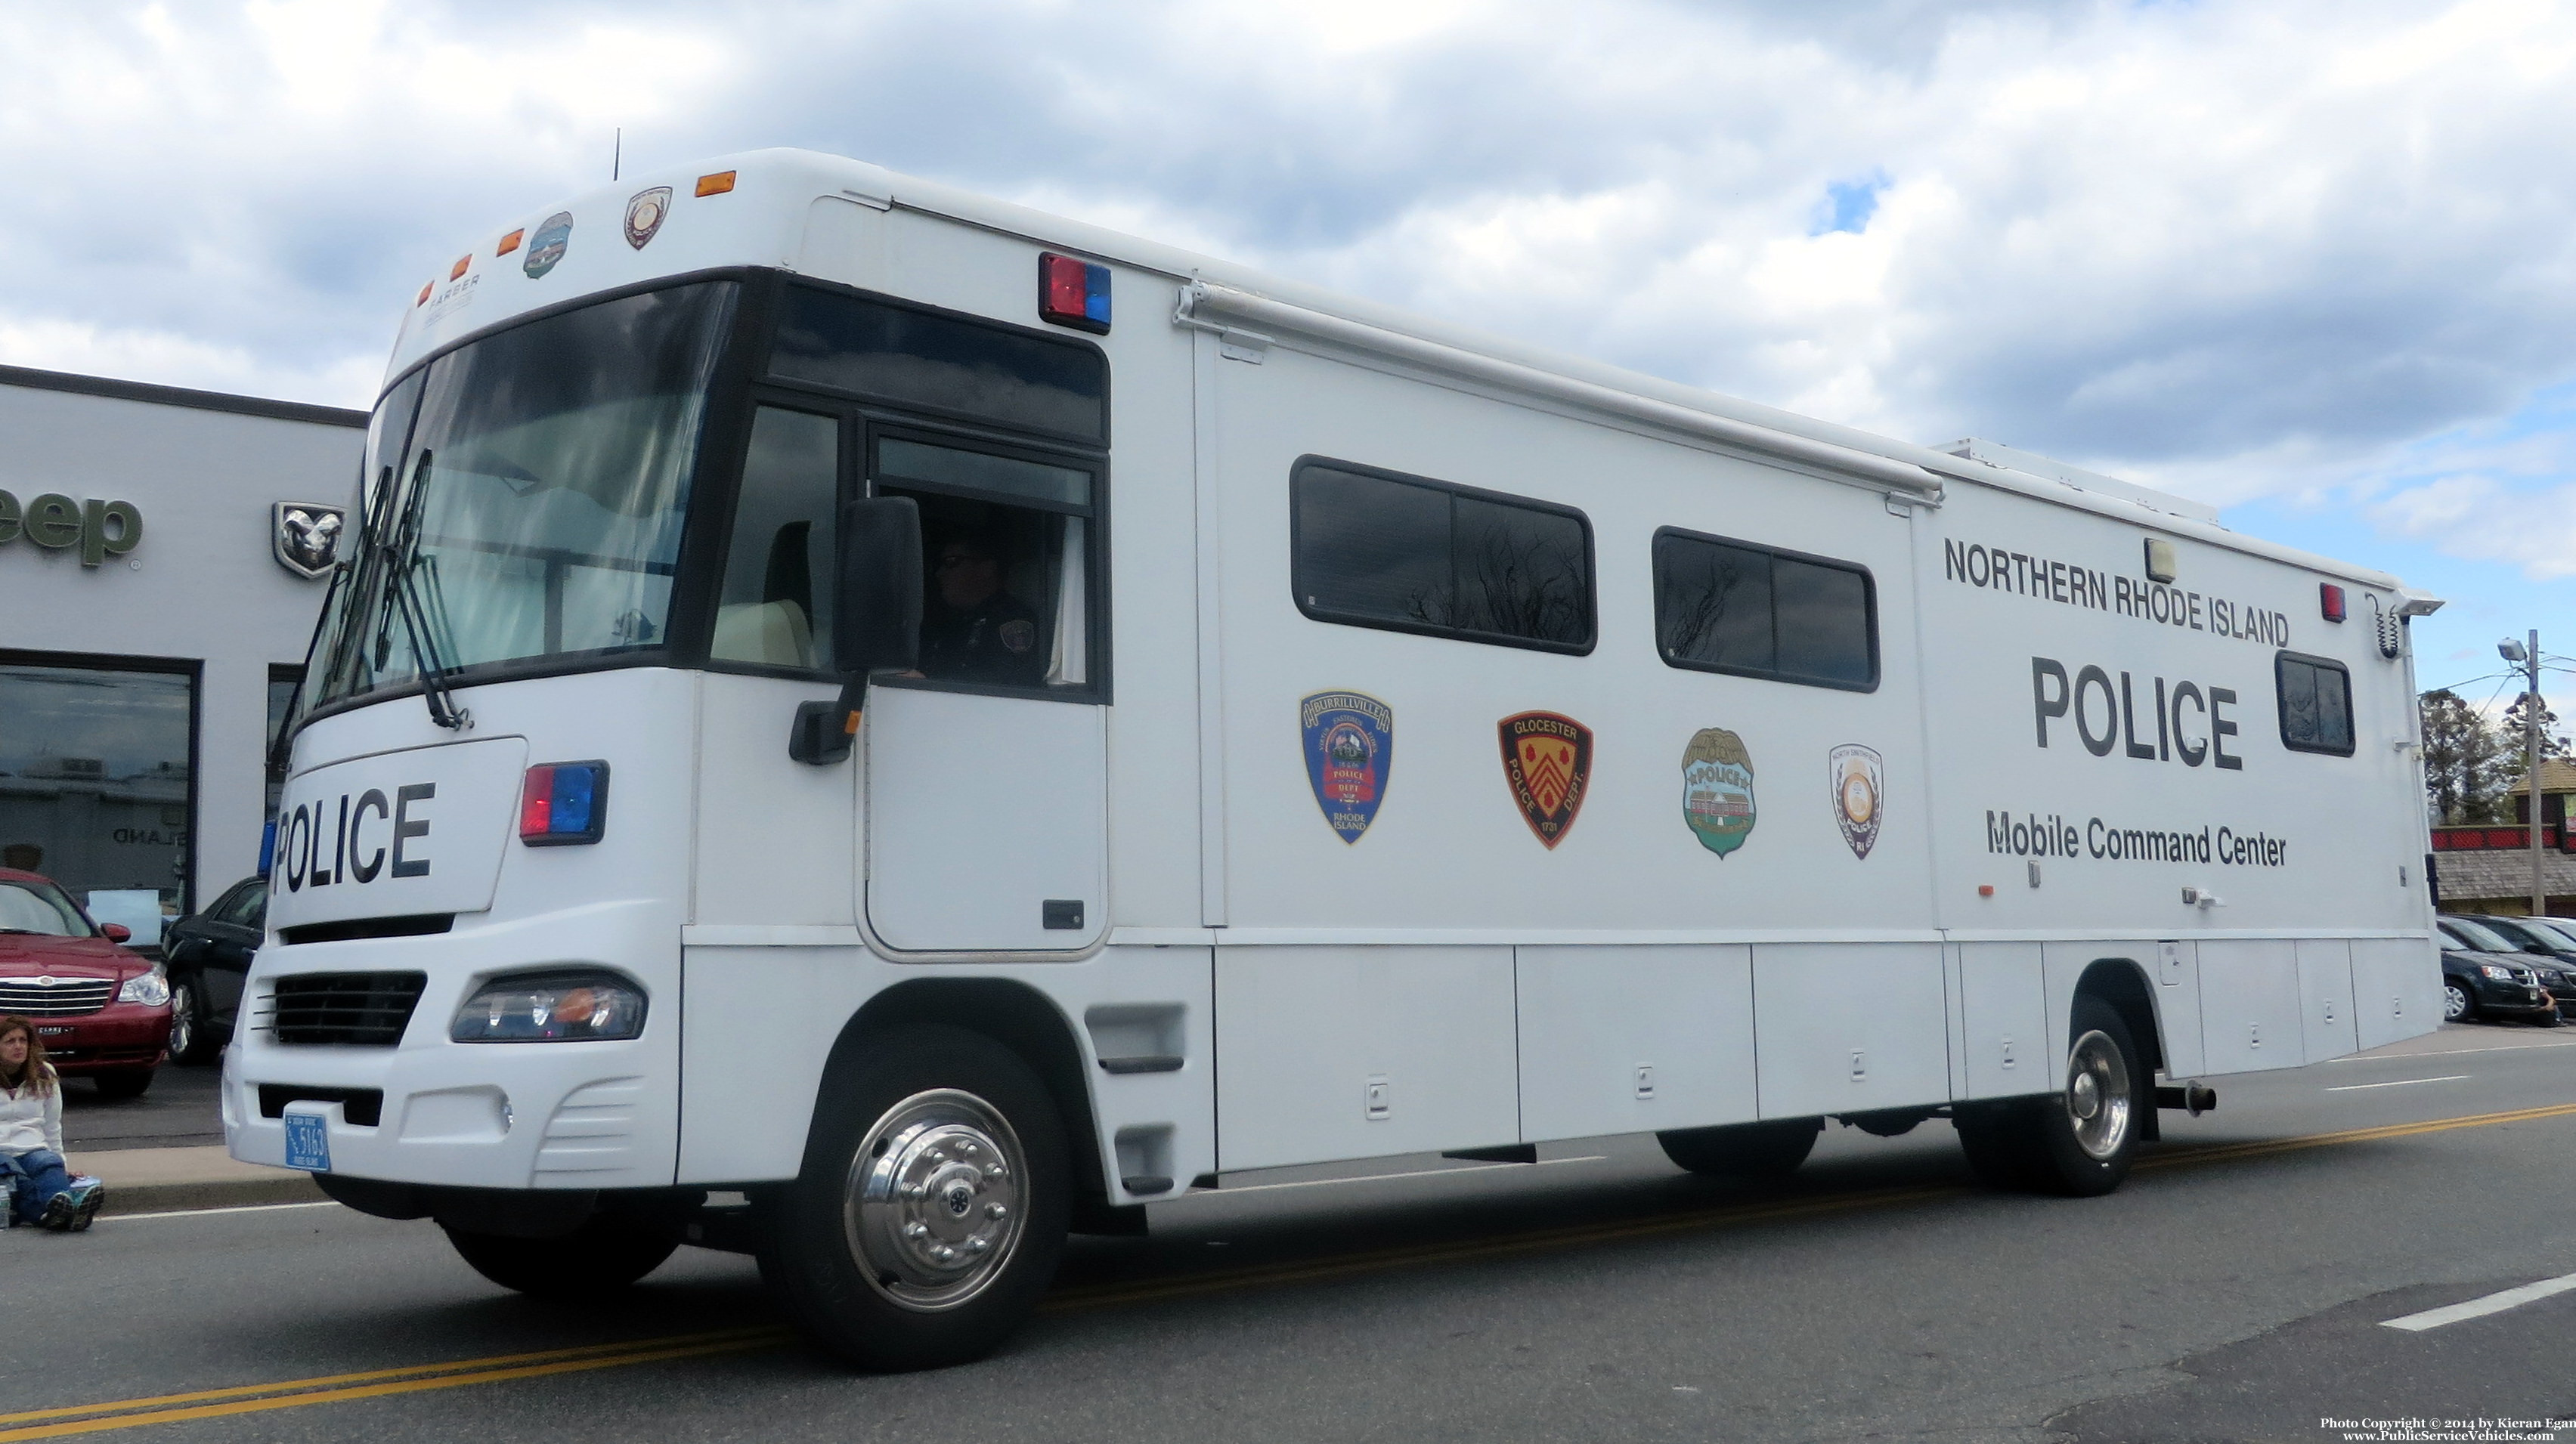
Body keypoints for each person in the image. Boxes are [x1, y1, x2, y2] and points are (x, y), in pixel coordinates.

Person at [1, 1015, 102, 1231]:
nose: (18, 1046)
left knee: (48, 1164)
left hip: (32, 1149)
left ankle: (66, 1208)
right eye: (10, 1041)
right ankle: (49, 1214)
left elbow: (52, 1126)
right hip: (1, 1156)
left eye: (23, 1040)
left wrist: (62, 1164)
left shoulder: (45, 1074)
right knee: (17, 1178)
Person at [916, 534, 1045, 685]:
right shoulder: (948, 621)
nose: (940, 573)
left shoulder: (1012, 621)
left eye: (951, 562)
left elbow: (1002, 689)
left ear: (987, 569)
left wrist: (925, 685)